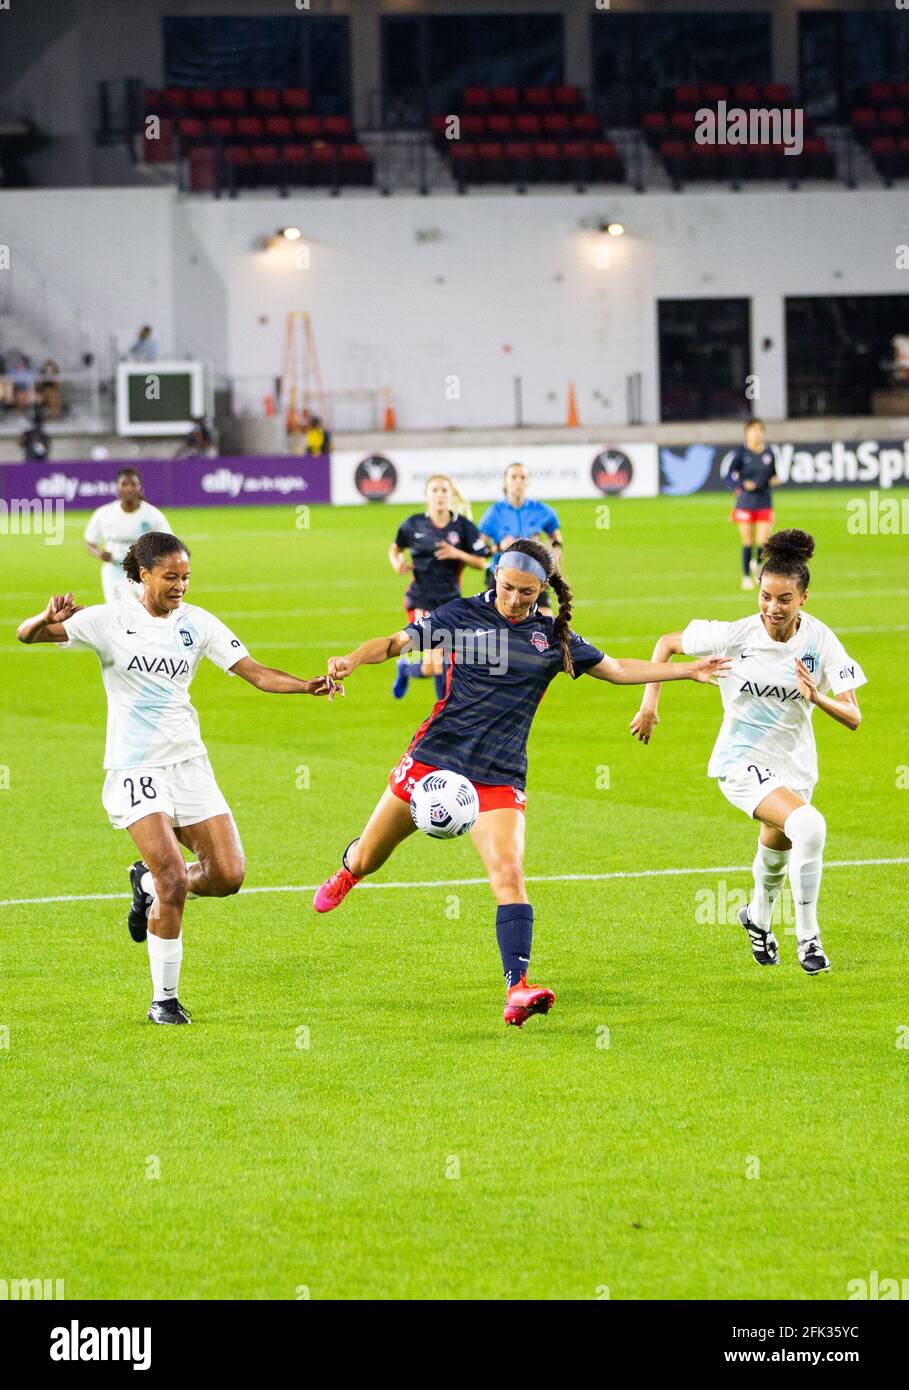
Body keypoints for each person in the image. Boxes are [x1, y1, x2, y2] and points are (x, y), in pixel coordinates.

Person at [313, 538, 728, 1027]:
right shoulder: (459, 615)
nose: (513, 600)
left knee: (509, 872)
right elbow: (394, 644)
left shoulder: (552, 637)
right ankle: (348, 871)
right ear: (495, 575)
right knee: (369, 856)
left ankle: (517, 988)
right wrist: (352, 659)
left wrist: (688, 670)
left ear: (543, 590)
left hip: (499, 774)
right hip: (433, 761)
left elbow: (616, 670)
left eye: (526, 594)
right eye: (507, 587)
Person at [15, 531, 339, 1025]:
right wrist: (47, 619)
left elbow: (253, 671)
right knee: (172, 877)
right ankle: (163, 1000)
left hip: (188, 762)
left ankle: (143, 882)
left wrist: (305, 686)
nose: (181, 586)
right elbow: (26, 636)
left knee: (229, 875)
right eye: (171, 577)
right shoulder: (108, 620)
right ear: (143, 574)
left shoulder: (197, 623)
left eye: (186, 577)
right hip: (135, 766)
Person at [630, 529, 865, 975]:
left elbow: (853, 716)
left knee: (779, 848)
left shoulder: (820, 641)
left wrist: (816, 697)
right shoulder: (736, 634)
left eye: (784, 599)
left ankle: (757, 917)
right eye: (766, 596)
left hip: (795, 766)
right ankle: (809, 937)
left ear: (804, 599)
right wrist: (650, 703)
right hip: (740, 762)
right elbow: (667, 642)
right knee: (809, 826)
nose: (772, 609)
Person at [388, 473, 489, 701]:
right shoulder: (414, 524)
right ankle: (407, 670)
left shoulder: (463, 527)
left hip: (451, 601)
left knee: (445, 663)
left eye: (444, 490)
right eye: (435, 490)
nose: (440, 495)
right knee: (436, 666)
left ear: (451, 494)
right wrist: (397, 562)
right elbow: (395, 548)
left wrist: (457, 554)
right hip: (421, 599)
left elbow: (481, 562)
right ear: (427, 495)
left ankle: (437, 708)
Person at [478, 463, 563, 616]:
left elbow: (555, 535)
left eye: (522, 477)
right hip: (502, 576)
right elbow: (478, 549)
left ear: (528, 481)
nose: (518, 481)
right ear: (506, 481)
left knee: (545, 622)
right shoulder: (494, 513)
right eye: (513, 477)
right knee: (498, 626)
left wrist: (556, 548)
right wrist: (498, 547)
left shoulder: (541, 510)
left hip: (534, 573)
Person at [84, 468, 170, 604]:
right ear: (117, 487)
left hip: (144, 574)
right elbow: (90, 542)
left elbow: (168, 543)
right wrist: (100, 553)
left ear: (140, 488)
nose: (129, 488)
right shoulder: (104, 513)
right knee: (120, 614)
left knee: (145, 614)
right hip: (114, 574)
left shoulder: (152, 515)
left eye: (133, 484)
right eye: (124, 484)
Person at [726, 418, 780, 591]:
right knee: (747, 541)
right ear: (747, 433)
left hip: (764, 501)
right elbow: (728, 477)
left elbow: (773, 474)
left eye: (759, 430)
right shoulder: (741, 453)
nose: (756, 433)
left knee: (764, 541)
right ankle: (746, 577)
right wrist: (742, 486)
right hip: (745, 502)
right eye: (752, 430)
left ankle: (756, 563)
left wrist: (774, 479)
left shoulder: (769, 453)